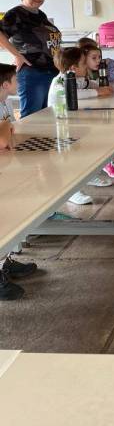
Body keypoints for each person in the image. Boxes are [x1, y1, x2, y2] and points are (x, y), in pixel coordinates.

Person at [48, 47, 114, 197]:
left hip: (75, 123)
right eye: (83, 63)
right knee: (68, 159)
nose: (87, 66)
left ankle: (87, 176)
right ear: (73, 68)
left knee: (84, 152)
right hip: (60, 127)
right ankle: (71, 192)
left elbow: (88, 84)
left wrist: (99, 86)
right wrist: (97, 92)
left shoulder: (79, 78)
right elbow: (74, 94)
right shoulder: (60, 81)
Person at [0, 63, 38, 299]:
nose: (19, 82)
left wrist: (6, 129)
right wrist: (5, 128)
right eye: (16, 79)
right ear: (5, 84)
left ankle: (4, 262)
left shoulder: (5, 102)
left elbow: (9, 133)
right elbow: (4, 140)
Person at [0, 0, 61, 117]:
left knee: (47, 116)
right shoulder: (16, 14)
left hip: (50, 71)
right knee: (32, 118)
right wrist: (17, 55)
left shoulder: (40, 14)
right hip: (33, 72)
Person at [79, 38, 114, 174]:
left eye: (99, 57)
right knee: (103, 131)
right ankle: (106, 162)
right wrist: (97, 91)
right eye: (94, 58)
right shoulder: (78, 76)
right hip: (83, 114)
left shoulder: (97, 71)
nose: (98, 61)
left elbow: (111, 79)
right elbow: (80, 92)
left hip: (96, 107)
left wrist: (108, 62)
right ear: (83, 60)